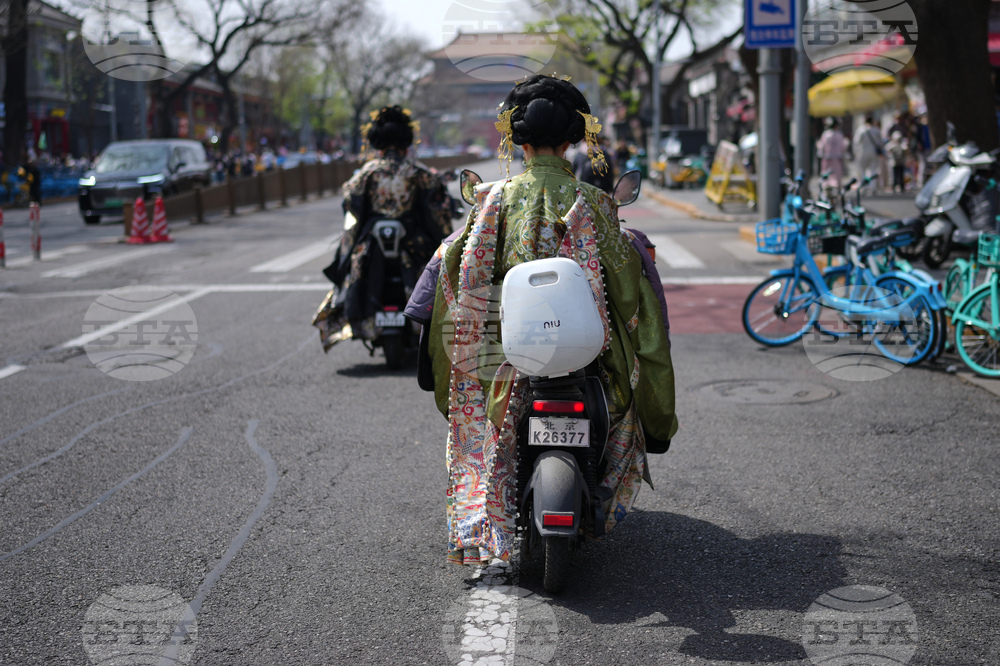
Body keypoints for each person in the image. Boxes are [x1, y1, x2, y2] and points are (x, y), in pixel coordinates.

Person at [414, 75, 679, 566]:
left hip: (510, 356)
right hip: (588, 354)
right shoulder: (598, 205)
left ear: (518, 140)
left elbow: (463, 281)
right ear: (573, 140)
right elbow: (630, 297)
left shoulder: (491, 200)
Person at [312, 105, 452, 351]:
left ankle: (354, 319)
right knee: (435, 270)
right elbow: (436, 210)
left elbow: (351, 207)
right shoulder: (418, 173)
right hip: (412, 241)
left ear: (377, 142)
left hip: (373, 242)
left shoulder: (366, 173)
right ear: (406, 141)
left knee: (353, 269)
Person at [817, 118, 848, 194]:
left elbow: (821, 146)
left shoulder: (825, 134)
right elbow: (843, 146)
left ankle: (825, 190)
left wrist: (821, 153)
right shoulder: (839, 135)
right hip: (837, 158)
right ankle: (837, 190)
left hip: (827, 158)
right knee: (836, 175)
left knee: (826, 174)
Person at [853, 116, 883, 194]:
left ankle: (864, 186)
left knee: (862, 170)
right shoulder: (876, 130)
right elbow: (880, 142)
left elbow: (856, 142)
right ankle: (873, 187)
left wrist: (856, 152)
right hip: (874, 152)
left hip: (863, 152)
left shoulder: (861, 130)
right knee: (873, 169)